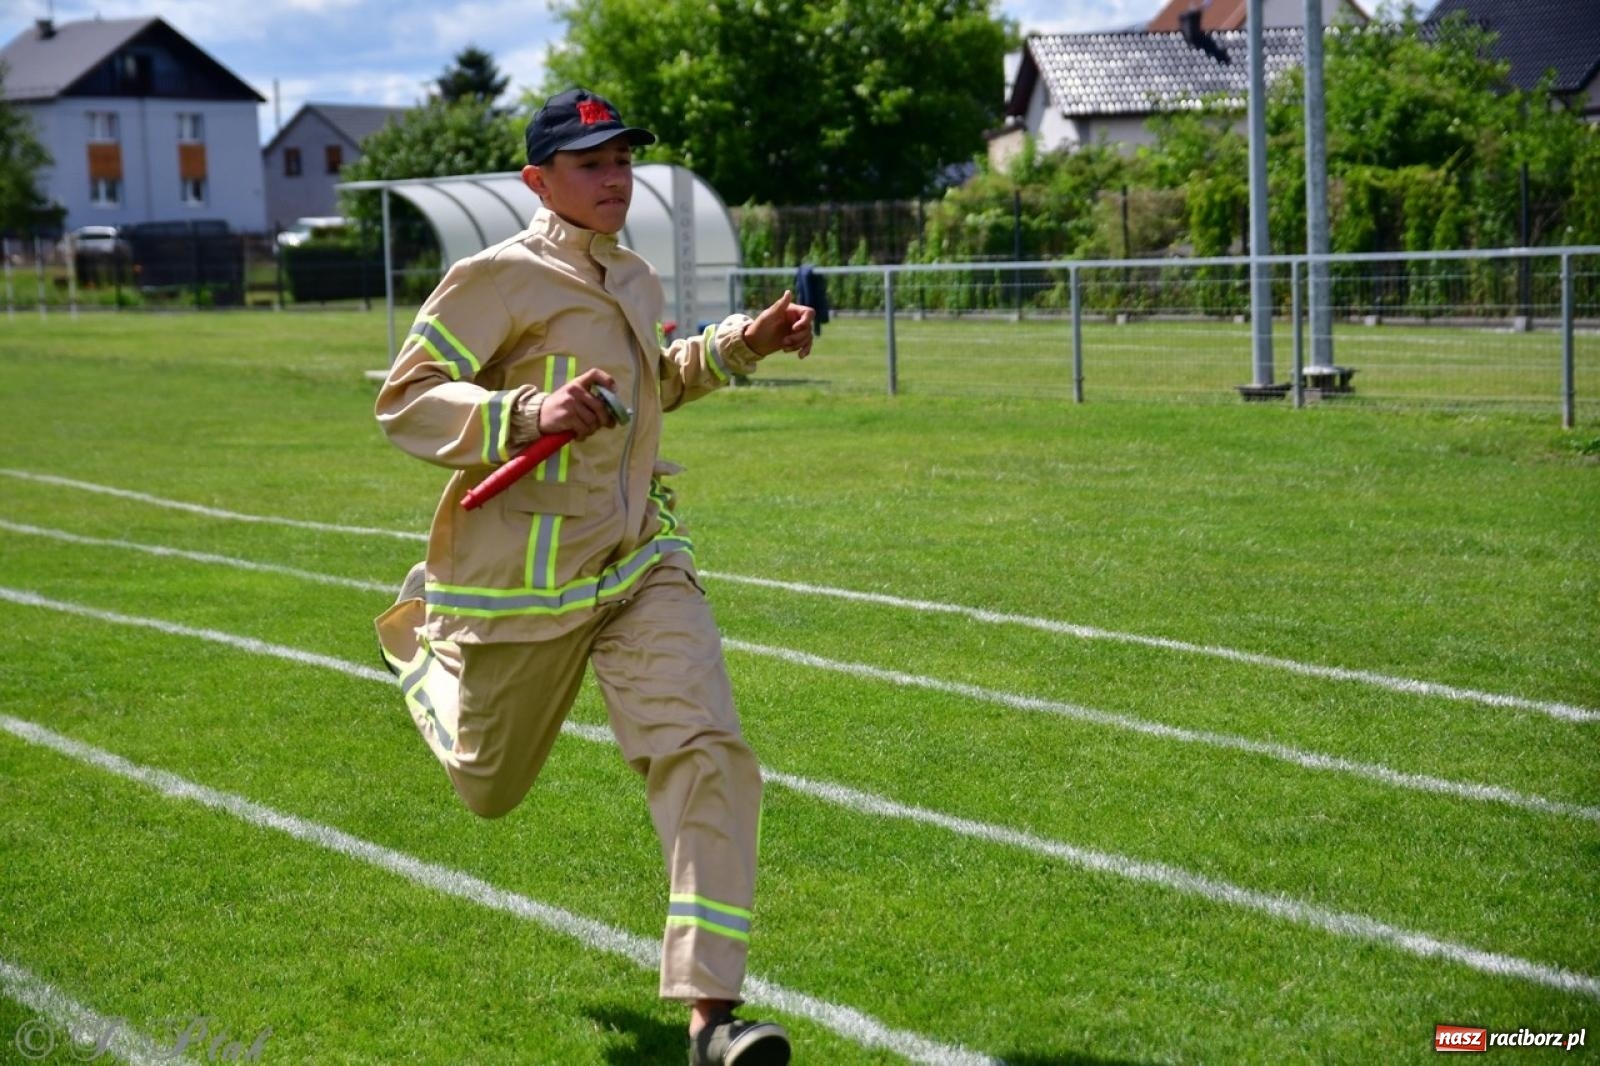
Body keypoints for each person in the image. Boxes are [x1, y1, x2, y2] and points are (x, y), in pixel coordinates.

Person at [372, 88, 812, 1066]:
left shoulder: (632, 276)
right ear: (539, 181)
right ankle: (421, 643)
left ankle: (712, 1016)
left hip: (636, 560)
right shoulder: (494, 278)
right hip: (518, 595)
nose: (614, 177)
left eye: (621, 160)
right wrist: (524, 415)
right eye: (590, 163)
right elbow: (404, 403)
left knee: (707, 749)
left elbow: (648, 383)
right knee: (487, 789)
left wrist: (745, 341)